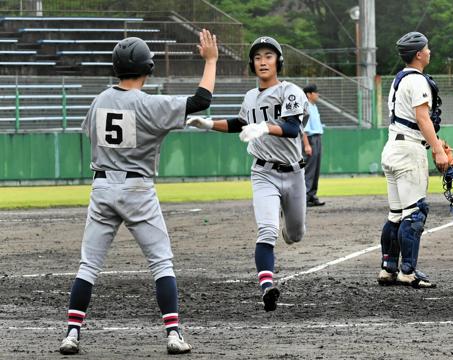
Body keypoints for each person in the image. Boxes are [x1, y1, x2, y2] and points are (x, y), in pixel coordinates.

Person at [58, 31, 218, 355]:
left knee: (88, 265)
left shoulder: (99, 100)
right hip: (137, 188)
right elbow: (201, 101)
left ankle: (72, 334)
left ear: (116, 68)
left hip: (101, 186)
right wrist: (211, 60)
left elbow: (89, 133)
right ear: (149, 68)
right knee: (161, 263)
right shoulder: (148, 104)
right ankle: (173, 334)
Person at [186, 36, 308, 312]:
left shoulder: (290, 90)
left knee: (296, 234)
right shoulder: (251, 97)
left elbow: (291, 128)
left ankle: (290, 227)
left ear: (278, 61)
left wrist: (264, 127)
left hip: (294, 173)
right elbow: (239, 123)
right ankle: (267, 286)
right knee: (266, 230)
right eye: (257, 57)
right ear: (252, 64)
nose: (263, 61)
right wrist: (207, 123)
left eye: (268, 55)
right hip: (263, 172)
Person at [376, 32, 449, 289]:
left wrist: (435, 144)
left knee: (395, 214)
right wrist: (438, 149)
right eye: (427, 49)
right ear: (418, 54)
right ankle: (408, 271)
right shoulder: (417, 81)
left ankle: (388, 268)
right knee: (414, 213)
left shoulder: (398, 80)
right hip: (408, 152)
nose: (429, 52)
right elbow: (422, 118)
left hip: (392, 149)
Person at [301, 83, 325, 207]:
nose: (318, 94)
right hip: (310, 139)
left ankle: (312, 196)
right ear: (309, 94)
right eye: (315, 92)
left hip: (317, 138)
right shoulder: (305, 107)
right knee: (309, 169)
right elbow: (303, 128)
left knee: (316, 169)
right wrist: (306, 145)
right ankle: (305, 197)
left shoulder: (314, 106)